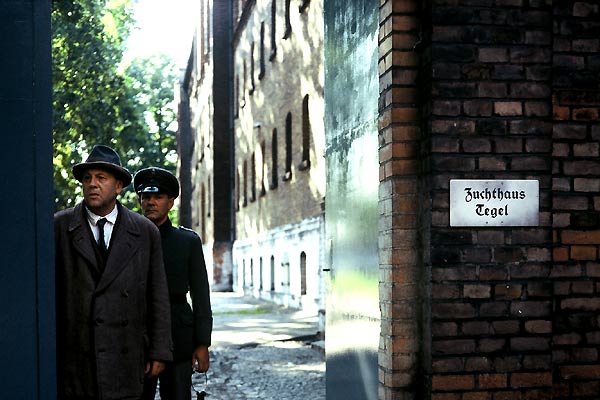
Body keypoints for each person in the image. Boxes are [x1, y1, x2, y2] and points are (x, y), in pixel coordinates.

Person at [54, 145, 173, 399]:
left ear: (118, 186)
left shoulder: (144, 231)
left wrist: (159, 351)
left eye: (101, 178)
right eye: (87, 178)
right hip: (77, 360)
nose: (92, 185)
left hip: (127, 357)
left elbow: (158, 295)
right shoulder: (59, 227)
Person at [134, 167, 213, 400]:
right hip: (139, 336)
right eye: (146, 197)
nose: (150, 202)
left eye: (157, 197)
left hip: (178, 335)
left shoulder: (187, 241)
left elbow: (200, 294)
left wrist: (202, 342)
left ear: (170, 202)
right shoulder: (129, 238)